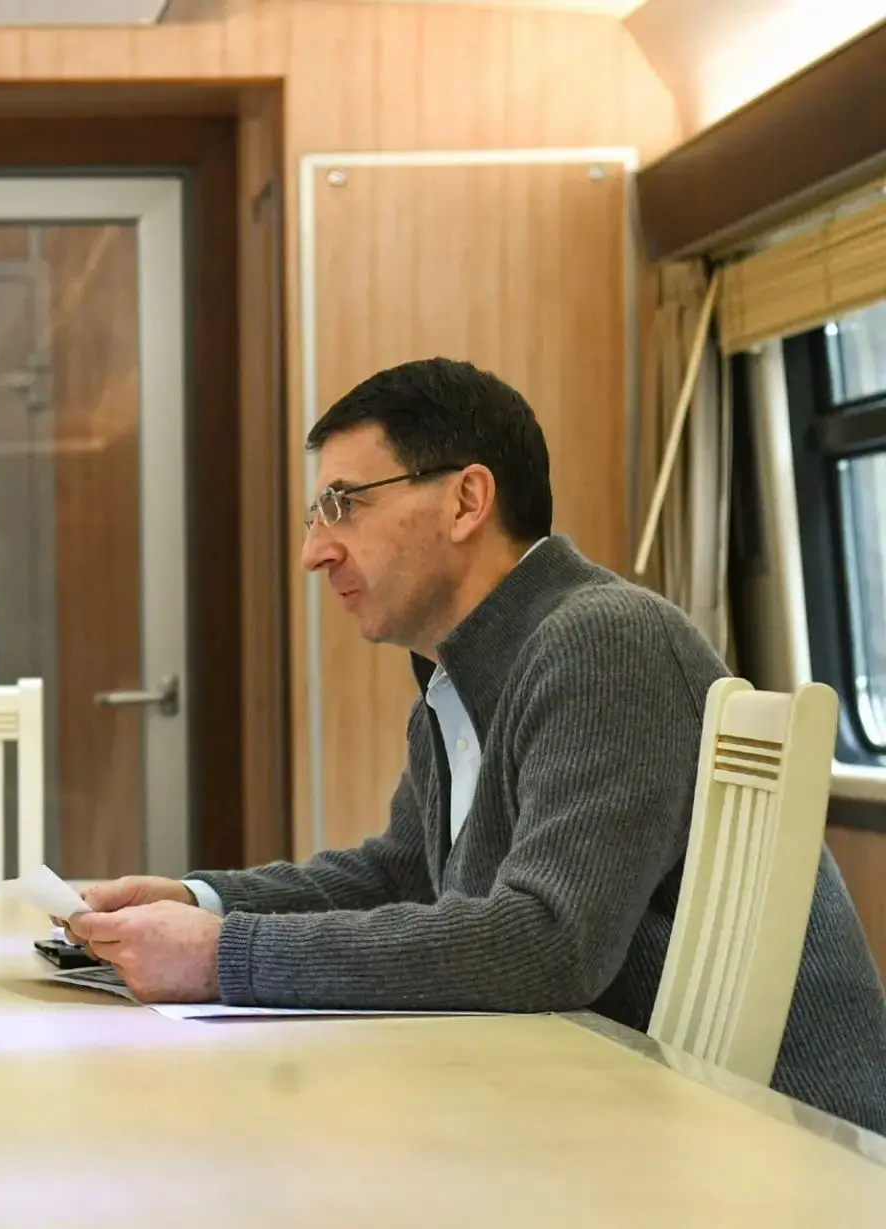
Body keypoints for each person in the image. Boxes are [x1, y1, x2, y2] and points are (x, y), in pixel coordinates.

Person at [67, 357, 886, 1132]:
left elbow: (549, 940)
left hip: (779, 1144)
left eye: (344, 504)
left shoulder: (606, 641)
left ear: (466, 500)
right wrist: (201, 901)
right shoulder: (461, 672)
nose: (316, 550)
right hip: (615, 1103)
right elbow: (402, 874)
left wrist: (225, 957)